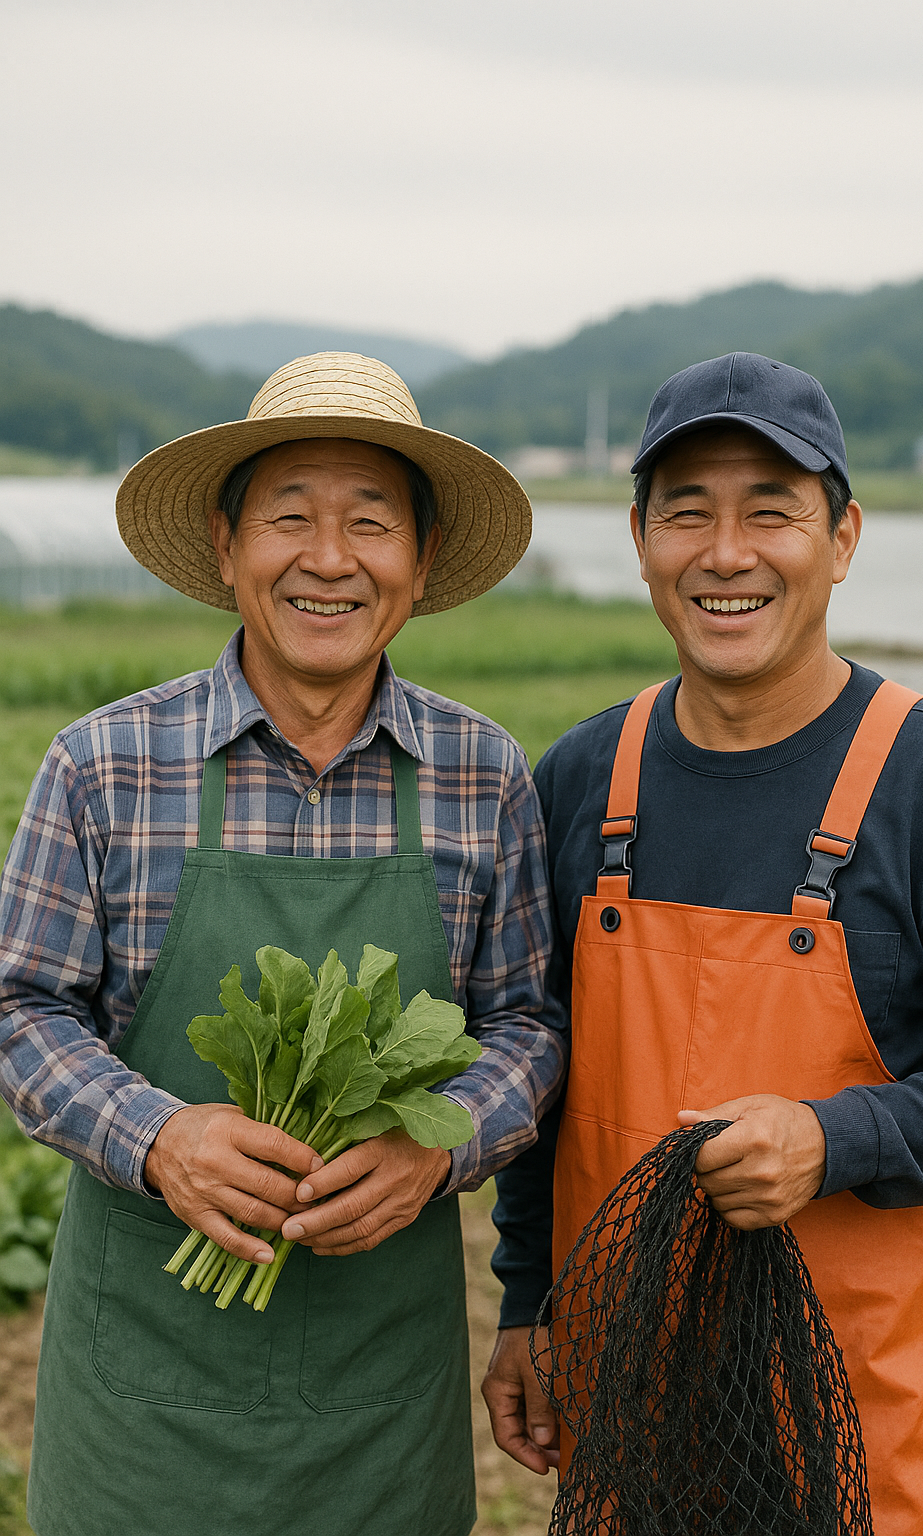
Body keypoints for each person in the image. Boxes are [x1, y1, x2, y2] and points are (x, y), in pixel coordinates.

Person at [0, 352, 566, 1536]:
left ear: (416, 563)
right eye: (289, 518)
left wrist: (440, 1143)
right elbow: (21, 1010)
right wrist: (159, 1136)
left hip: (382, 1398)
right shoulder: (103, 764)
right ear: (224, 546)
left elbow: (528, 1024)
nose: (329, 558)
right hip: (141, 1402)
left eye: (370, 523)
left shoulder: (484, 775)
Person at [482, 352, 923, 1536]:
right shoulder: (580, 778)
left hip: (853, 1420)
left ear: (842, 536)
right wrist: (523, 1300)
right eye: (687, 512)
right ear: (639, 540)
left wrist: (833, 1138)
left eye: (770, 511)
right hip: (624, 1397)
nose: (725, 553)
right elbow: (539, 1069)